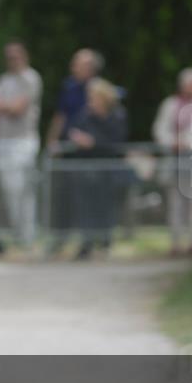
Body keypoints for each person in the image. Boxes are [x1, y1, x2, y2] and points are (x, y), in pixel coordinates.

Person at [45, 48, 103, 254]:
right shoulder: (69, 87)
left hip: (90, 154)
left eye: (78, 63)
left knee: (87, 199)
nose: (73, 67)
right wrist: (52, 141)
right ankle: (60, 240)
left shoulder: (99, 89)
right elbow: (60, 116)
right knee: (64, 198)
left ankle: (89, 242)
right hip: (69, 150)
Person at [153, 67, 192, 256]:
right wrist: (173, 142)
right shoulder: (170, 104)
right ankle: (176, 241)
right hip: (174, 161)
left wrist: (189, 142)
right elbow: (160, 129)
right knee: (175, 204)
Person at [66, 78, 128, 259]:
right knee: (85, 207)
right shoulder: (85, 115)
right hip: (86, 170)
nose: (90, 100)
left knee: (105, 206)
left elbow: (116, 143)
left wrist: (93, 143)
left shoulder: (117, 115)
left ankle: (105, 242)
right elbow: (73, 131)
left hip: (107, 169)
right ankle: (86, 243)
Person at [0, 41, 42, 246]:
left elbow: (17, 108)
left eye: (15, 56)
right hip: (4, 141)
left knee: (23, 190)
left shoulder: (31, 78)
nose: (12, 60)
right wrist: (4, 106)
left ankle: (28, 235)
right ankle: (17, 234)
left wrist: (2, 106)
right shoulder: (4, 80)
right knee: (9, 191)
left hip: (23, 140)